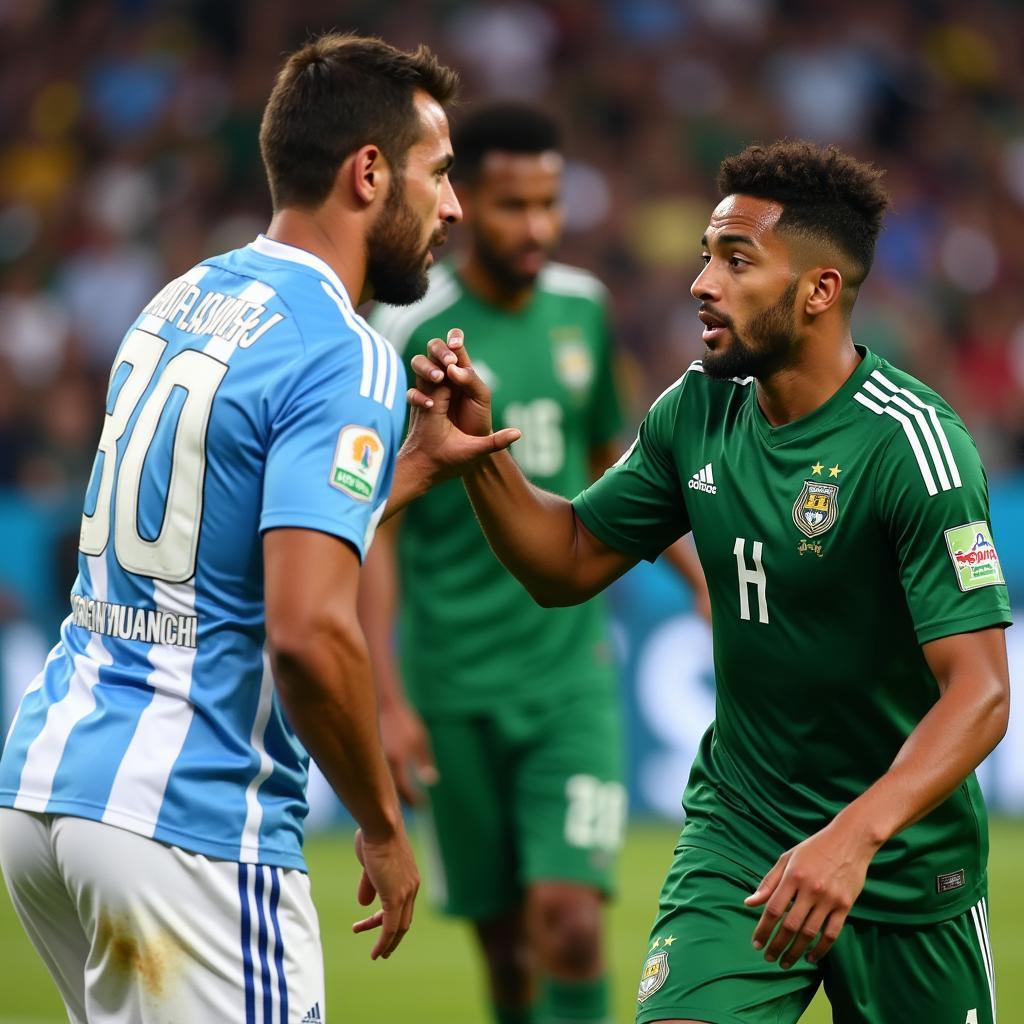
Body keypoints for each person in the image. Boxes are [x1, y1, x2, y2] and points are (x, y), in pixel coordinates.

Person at [393, 140, 1012, 1024]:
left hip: (906, 862)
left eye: (736, 260)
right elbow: (566, 560)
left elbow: (982, 694)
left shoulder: (914, 447)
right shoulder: (699, 409)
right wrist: (484, 458)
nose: (701, 284)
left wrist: (853, 838)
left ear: (819, 290)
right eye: (704, 257)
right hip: (745, 835)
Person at [0, 33, 514, 1024]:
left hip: (49, 794)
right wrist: (378, 820)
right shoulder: (344, 352)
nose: (454, 208)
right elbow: (309, 634)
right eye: (440, 175)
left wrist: (402, 473)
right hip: (187, 818)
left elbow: (224, 539)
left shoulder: (182, 298)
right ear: (369, 173)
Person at [363, 102, 708, 1024]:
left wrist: (702, 583)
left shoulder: (583, 311)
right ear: (465, 200)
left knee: (572, 923)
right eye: (514, 205)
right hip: (452, 688)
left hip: (568, 682)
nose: (537, 227)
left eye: (549, 203)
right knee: (508, 951)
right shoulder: (407, 335)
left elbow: (619, 472)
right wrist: (389, 702)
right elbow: (379, 532)